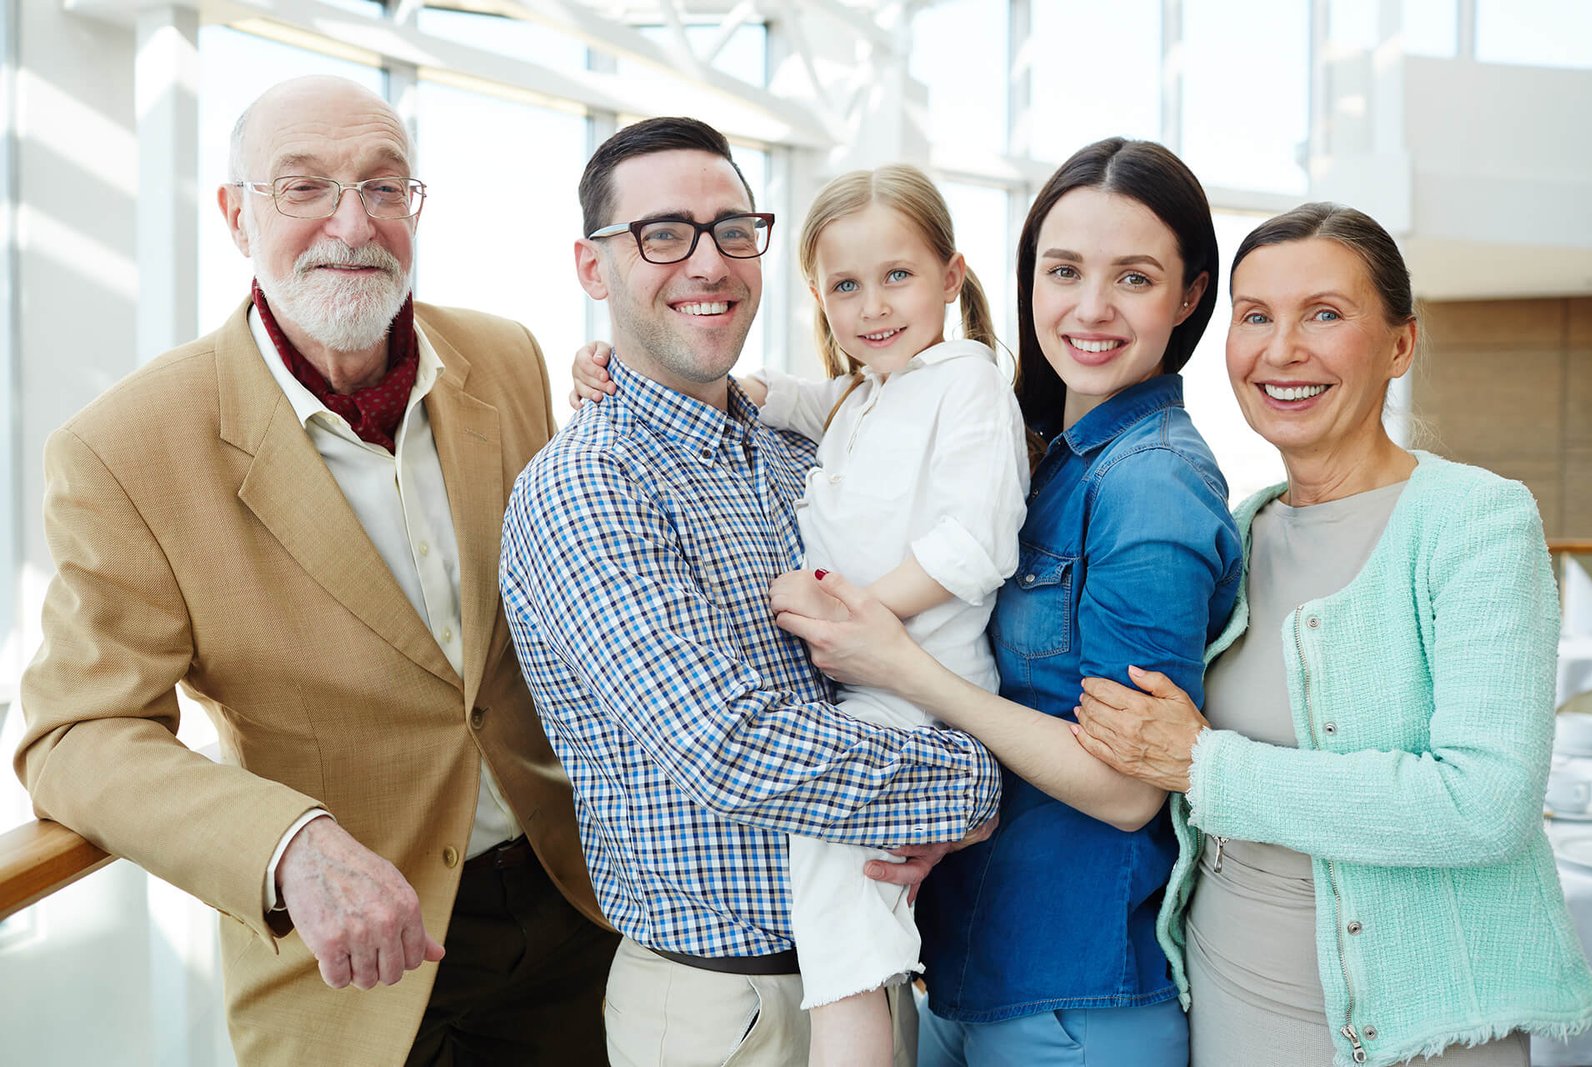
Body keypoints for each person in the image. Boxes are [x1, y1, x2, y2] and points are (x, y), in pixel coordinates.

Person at [13, 76, 616, 1065]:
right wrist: (288, 839)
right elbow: (77, 732)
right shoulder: (125, 446)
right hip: (361, 967)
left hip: (576, 908)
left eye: (385, 188)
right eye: (305, 188)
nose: (353, 222)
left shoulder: (506, 359)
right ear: (235, 213)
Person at [499, 120, 1003, 1067]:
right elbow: (733, 746)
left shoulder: (799, 448)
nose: (708, 262)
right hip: (728, 1012)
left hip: (870, 966)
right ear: (592, 267)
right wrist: (975, 785)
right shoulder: (589, 484)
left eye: (733, 230)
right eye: (663, 234)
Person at [1069, 202, 1592, 1066]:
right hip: (1224, 1002)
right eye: (1255, 317)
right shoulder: (1239, 530)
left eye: (1324, 313)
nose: (1282, 350)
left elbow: (1485, 803)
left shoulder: (1476, 521)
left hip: (1418, 1034)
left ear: (1400, 345)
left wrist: (1207, 765)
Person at [773, 137, 1243, 1066]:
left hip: (1072, 1003)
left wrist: (901, 666)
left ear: (1190, 296)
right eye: (1063, 270)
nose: (1091, 307)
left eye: (1137, 278)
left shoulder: (1151, 484)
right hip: (976, 972)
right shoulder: (1042, 452)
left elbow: (1125, 790)